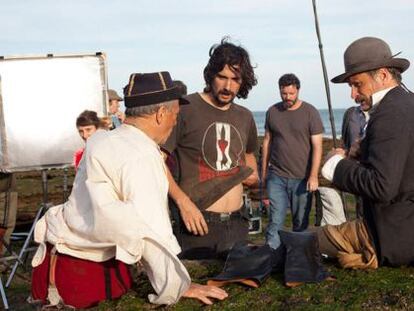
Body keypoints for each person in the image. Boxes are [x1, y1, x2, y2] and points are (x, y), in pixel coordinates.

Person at [30, 71, 228, 308]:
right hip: (82, 279)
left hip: (55, 266)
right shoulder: (141, 156)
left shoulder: (104, 139)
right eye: (175, 114)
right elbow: (148, 230)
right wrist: (178, 286)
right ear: (161, 114)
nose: (175, 121)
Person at [320, 36, 414, 268]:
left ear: (383, 75)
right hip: (402, 231)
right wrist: (363, 153)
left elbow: (382, 187)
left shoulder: (390, 113)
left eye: (357, 84)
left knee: (301, 242)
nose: (353, 95)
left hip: (391, 237)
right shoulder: (406, 103)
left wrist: (336, 164)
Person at [163, 38, 259, 260]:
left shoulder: (245, 116)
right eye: (222, 77)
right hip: (196, 223)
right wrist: (182, 203)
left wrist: (253, 176)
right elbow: (157, 160)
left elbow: (249, 153)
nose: (228, 86)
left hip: (238, 223)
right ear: (210, 75)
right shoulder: (185, 108)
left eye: (235, 79)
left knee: (239, 289)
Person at [261, 73, 323, 250]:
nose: (287, 97)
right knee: (275, 220)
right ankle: (271, 258)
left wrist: (313, 176)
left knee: (301, 223)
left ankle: (299, 259)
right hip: (277, 176)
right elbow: (266, 142)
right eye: (284, 94)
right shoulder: (272, 111)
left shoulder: (311, 112)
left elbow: (317, 146)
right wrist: (264, 174)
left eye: (291, 94)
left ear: (298, 90)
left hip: (302, 178)